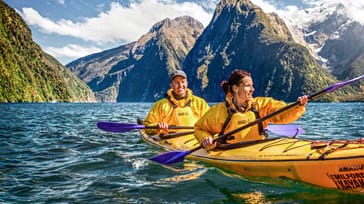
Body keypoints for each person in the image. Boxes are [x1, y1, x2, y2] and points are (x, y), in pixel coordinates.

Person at [194, 69, 309, 150]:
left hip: (258, 148)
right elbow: (199, 128)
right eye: (248, 85)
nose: (252, 89)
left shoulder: (261, 105)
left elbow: (283, 113)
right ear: (235, 88)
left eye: (252, 85)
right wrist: (206, 139)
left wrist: (298, 106)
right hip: (231, 151)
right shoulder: (219, 112)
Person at [144, 70, 209, 135]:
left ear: (187, 83)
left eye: (183, 82)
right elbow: (147, 126)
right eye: (177, 82)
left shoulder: (200, 103)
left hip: (197, 138)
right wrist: (157, 126)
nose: (180, 85)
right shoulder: (161, 105)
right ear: (171, 85)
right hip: (170, 139)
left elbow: (210, 122)